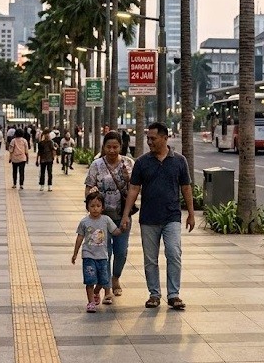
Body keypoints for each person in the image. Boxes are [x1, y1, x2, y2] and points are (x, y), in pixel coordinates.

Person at [120, 121, 194, 310]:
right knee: (150, 259)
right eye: (148, 138)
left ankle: (173, 295)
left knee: (174, 253)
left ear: (165, 138)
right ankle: (154, 294)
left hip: (172, 216)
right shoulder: (142, 162)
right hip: (148, 218)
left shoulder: (179, 161)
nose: (150, 142)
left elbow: (186, 187)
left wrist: (191, 214)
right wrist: (126, 214)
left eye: (153, 138)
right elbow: (134, 189)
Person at [84, 131, 134, 300]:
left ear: (121, 147)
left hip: (122, 215)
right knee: (105, 252)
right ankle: (106, 286)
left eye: (115, 147)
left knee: (121, 251)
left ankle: (116, 277)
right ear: (104, 147)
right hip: (102, 218)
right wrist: (91, 209)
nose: (112, 150)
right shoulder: (96, 164)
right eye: (108, 147)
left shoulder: (128, 163)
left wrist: (128, 180)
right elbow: (88, 186)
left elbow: (135, 189)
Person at [72, 191, 122, 312]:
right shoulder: (84, 222)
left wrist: (122, 229)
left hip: (102, 256)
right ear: (87, 207)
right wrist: (75, 253)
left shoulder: (106, 220)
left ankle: (96, 292)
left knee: (102, 280)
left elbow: (114, 231)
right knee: (89, 280)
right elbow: (80, 237)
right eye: (92, 206)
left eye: (98, 206)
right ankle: (91, 302)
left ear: (103, 207)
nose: (95, 209)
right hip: (88, 255)